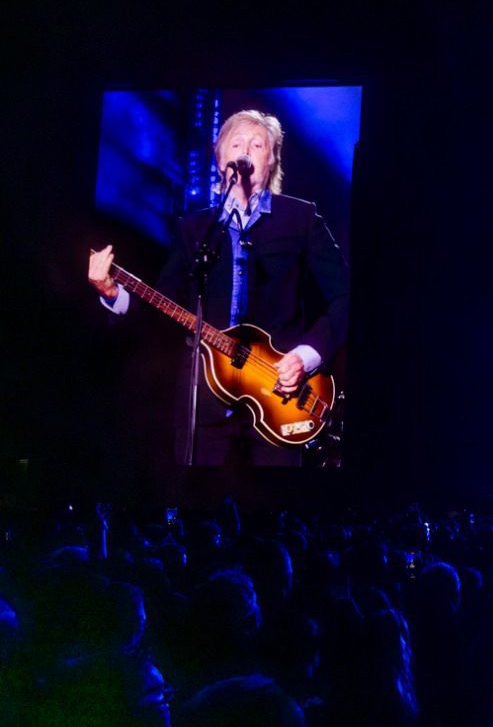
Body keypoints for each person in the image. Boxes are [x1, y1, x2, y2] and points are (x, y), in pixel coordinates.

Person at [87, 110, 350, 467]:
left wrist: (305, 356)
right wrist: (111, 292)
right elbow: (162, 306)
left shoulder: (300, 218)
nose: (245, 151)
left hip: (281, 399)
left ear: (271, 160)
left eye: (257, 145)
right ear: (220, 156)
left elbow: (345, 295)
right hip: (204, 402)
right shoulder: (194, 228)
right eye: (236, 143)